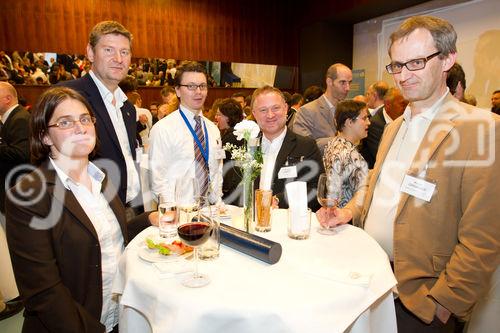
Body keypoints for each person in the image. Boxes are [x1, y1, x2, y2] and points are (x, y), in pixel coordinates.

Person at [317, 15, 499, 332]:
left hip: (421, 302)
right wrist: (348, 212)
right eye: (396, 65)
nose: (403, 75)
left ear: (447, 59)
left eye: (415, 62)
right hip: (370, 281)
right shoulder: (393, 127)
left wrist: (445, 303)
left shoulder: (481, 128)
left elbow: (484, 235)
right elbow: (376, 187)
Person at [6, 87, 155, 332]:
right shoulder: (28, 196)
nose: (80, 127)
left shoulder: (102, 177)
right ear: (44, 136)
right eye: (65, 122)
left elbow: (106, 237)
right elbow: (43, 292)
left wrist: (150, 218)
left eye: (85, 119)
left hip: (117, 317)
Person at [61, 21, 142, 212]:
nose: (118, 58)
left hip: (128, 209)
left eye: (124, 52)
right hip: (89, 213)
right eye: (108, 50)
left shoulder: (128, 108)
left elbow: (128, 160)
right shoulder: (68, 96)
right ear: (90, 52)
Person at [149, 61, 223, 203]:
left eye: (202, 86)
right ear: (177, 90)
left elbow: (216, 171)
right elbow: (157, 181)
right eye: (191, 86)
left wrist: (218, 203)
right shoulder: (163, 129)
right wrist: (174, 214)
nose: (198, 92)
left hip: (209, 211)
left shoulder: (213, 129)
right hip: (180, 214)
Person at [252, 85, 324, 211]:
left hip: (289, 222)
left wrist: (281, 200)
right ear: (254, 114)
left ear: (285, 109)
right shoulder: (247, 147)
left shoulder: (306, 146)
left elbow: (317, 189)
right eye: (263, 110)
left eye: (276, 108)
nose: (270, 115)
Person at [291, 63, 352, 154]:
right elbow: (303, 146)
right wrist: (340, 139)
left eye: (349, 82)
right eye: (342, 82)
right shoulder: (307, 111)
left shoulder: (347, 110)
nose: (348, 88)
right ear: (329, 82)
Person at [323, 100, 369, 208]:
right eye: (364, 118)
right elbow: (364, 193)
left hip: (334, 211)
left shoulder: (332, 143)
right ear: (349, 122)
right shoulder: (350, 154)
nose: (368, 122)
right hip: (347, 216)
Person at [0, 82, 30, 214]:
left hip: (15, 184)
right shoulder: (13, 117)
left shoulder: (20, 119)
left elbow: (20, 153)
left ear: (7, 99)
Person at [360, 87, 408, 169]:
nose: (406, 108)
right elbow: (384, 157)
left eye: (408, 104)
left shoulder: (405, 120)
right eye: (402, 104)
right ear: (388, 104)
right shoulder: (373, 125)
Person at [214, 98, 244, 204]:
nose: (216, 117)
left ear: (228, 117)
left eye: (219, 115)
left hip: (232, 190)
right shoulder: (237, 132)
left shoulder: (233, 137)